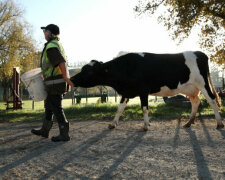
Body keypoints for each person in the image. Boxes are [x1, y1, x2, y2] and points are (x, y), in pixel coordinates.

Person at [31, 24, 74, 142]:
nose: (44, 34)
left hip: (56, 82)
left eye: (46, 31)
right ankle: (45, 130)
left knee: (56, 107)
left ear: (51, 33)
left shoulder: (51, 46)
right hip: (53, 82)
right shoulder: (56, 44)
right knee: (49, 106)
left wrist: (65, 77)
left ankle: (64, 134)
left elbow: (61, 62)